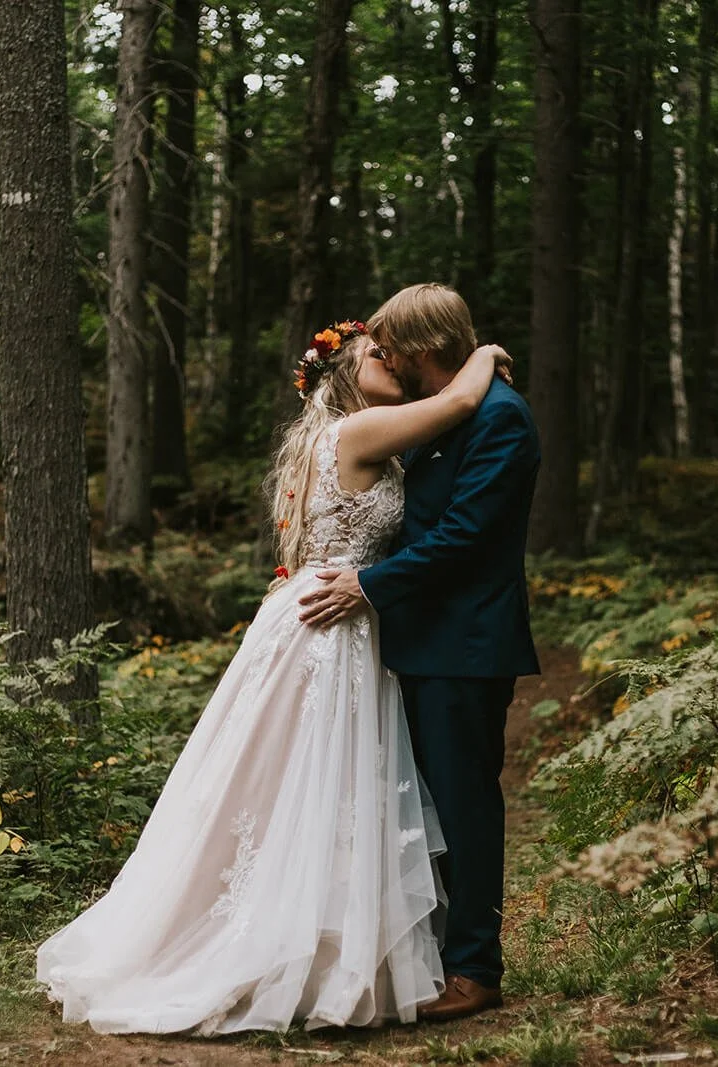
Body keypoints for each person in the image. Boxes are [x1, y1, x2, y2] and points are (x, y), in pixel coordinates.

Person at [36, 317, 509, 1035]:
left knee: (310, 787)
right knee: (314, 783)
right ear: (346, 376)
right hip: (333, 624)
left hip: (328, 614)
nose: (391, 360)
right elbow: (455, 405)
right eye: (375, 354)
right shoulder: (353, 434)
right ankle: (292, 947)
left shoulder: (341, 435)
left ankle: (324, 942)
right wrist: (483, 353)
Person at [299, 283, 541, 1023]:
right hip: (419, 640)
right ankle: (432, 952)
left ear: (425, 350)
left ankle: (476, 966)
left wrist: (368, 584)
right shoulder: (439, 418)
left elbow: (462, 538)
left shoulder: (501, 419)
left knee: (465, 804)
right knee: (425, 805)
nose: (387, 358)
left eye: (393, 346)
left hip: (467, 644)